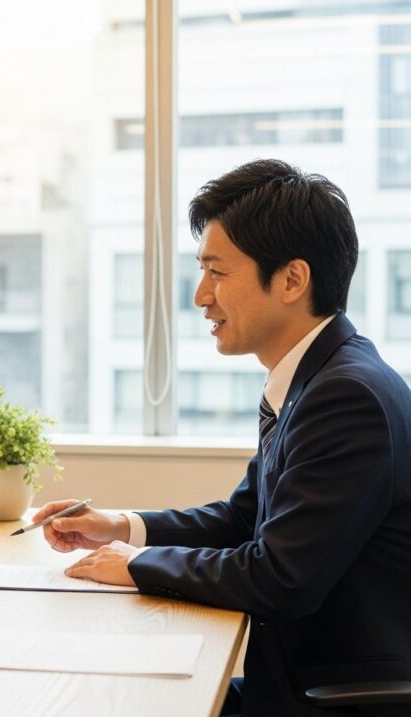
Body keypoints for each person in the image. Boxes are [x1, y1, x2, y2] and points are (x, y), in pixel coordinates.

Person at [32, 159, 411, 716]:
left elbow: (280, 577)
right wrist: (124, 527)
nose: (200, 296)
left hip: (322, 701)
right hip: (294, 685)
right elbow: (244, 520)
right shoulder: (317, 377)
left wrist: (135, 566)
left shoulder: (345, 396)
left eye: (218, 273)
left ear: (291, 280)